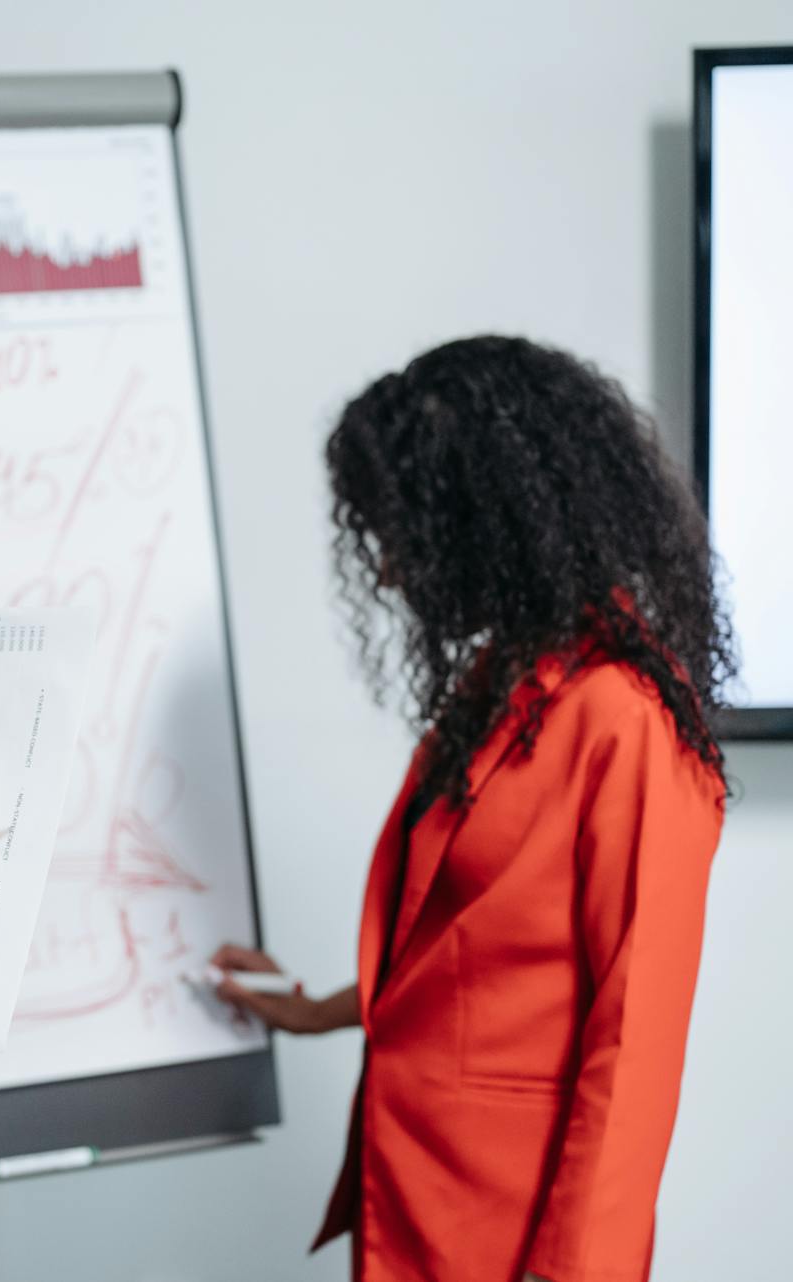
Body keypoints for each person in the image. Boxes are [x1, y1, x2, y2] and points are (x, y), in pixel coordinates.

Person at [212, 336, 731, 1282]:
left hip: (514, 1235)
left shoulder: (624, 715)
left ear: (481, 523)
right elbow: (459, 955)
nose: (384, 572)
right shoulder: (504, 682)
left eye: (401, 535)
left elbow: (637, 1039)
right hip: (416, 1199)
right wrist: (309, 1009)